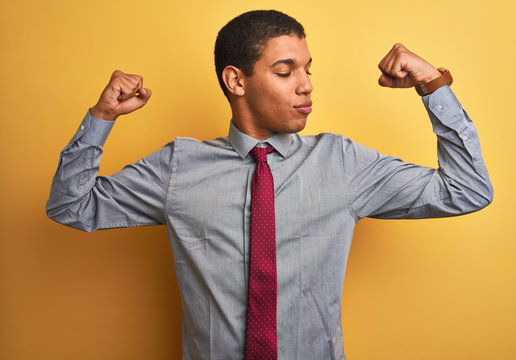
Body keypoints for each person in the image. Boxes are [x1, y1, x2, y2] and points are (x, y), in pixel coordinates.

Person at [46, 9, 493, 360]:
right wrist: (101, 119)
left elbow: (467, 190)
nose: (306, 86)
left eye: (307, 69)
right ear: (236, 80)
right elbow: (72, 207)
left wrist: (434, 87)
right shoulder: (178, 167)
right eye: (285, 72)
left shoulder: (342, 163)